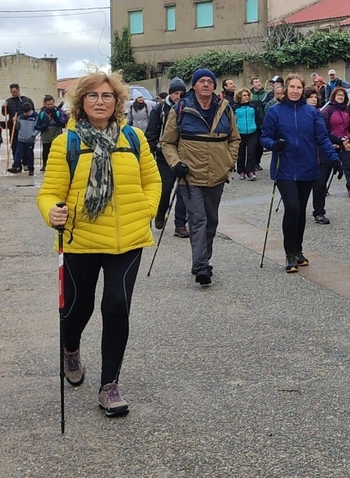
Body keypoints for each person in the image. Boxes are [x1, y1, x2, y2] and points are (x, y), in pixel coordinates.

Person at [38, 71, 161, 418]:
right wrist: (52, 212)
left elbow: (152, 180)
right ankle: (71, 346)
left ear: (116, 102)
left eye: (107, 96)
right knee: (78, 308)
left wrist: (146, 209)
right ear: (81, 102)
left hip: (128, 239)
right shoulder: (68, 142)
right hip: (82, 240)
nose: (100, 101)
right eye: (92, 95)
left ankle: (109, 385)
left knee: (117, 304)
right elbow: (49, 193)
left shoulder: (134, 138)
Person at [161, 68, 240, 286]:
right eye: (201, 81)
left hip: (217, 174)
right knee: (198, 219)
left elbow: (234, 139)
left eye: (209, 81)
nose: (206, 84)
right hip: (190, 174)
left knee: (212, 219)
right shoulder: (180, 109)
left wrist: (228, 161)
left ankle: (205, 257)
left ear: (214, 86)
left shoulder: (225, 109)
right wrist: (176, 164)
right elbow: (167, 142)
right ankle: (201, 266)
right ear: (194, 85)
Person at [261, 74, 342, 271]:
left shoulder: (312, 113)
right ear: (286, 89)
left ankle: (298, 249)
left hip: (307, 168)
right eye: (292, 87)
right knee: (292, 208)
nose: (295, 91)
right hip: (285, 168)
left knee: (301, 211)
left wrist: (334, 158)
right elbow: (264, 137)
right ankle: (289, 253)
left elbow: (322, 138)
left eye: (299, 87)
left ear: (303, 90)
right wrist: (274, 144)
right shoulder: (275, 111)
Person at [145, 78, 188, 237]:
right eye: (176, 93)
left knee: (183, 190)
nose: (178, 96)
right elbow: (151, 132)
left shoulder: (187, 108)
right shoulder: (160, 109)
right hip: (164, 155)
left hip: (184, 155)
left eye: (181, 93)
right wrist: (151, 150)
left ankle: (180, 224)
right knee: (165, 189)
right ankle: (161, 212)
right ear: (170, 93)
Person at [303, 90, 338, 225]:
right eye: (310, 97)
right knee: (304, 185)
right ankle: (298, 210)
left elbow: (326, 133)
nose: (313, 100)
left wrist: (340, 140)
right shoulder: (300, 115)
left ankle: (319, 211)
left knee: (320, 184)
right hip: (307, 155)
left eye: (314, 97)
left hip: (323, 155)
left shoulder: (321, 114)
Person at [322, 86, 350, 201]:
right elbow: (325, 129)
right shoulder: (328, 110)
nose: (340, 97)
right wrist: (332, 142)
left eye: (342, 95)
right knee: (327, 167)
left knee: (348, 167)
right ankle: (322, 187)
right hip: (332, 144)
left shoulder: (347, 110)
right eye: (338, 95)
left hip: (345, 142)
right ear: (334, 96)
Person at [232, 88, 265, 181]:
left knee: (251, 152)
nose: (247, 97)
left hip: (252, 132)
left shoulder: (252, 107)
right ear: (239, 97)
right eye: (244, 95)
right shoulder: (234, 108)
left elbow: (258, 118)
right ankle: (241, 171)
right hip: (240, 133)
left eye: (247, 95)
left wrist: (258, 127)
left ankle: (250, 171)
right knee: (241, 153)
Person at [36, 94, 69, 172]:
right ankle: (45, 165)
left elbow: (63, 124)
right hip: (46, 136)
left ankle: (57, 166)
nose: (50, 106)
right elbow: (37, 126)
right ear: (44, 104)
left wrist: (56, 118)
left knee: (56, 152)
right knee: (45, 152)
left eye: (51, 104)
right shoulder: (42, 113)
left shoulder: (58, 112)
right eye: (48, 104)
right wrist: (43, 126)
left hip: (56, 135)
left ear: (54, 103)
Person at [3, 83, 33, 168]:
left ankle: (25, 163)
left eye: (14, 92)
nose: (13, 94)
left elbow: (32, 113)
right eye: (11, 92)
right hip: (13, 127)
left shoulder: (26, 100)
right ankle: (17, 164)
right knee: (14, 145)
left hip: (24, 127)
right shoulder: (9, 101)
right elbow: (4, 114)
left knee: (24, 145)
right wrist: (3, 107)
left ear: (19, 90)